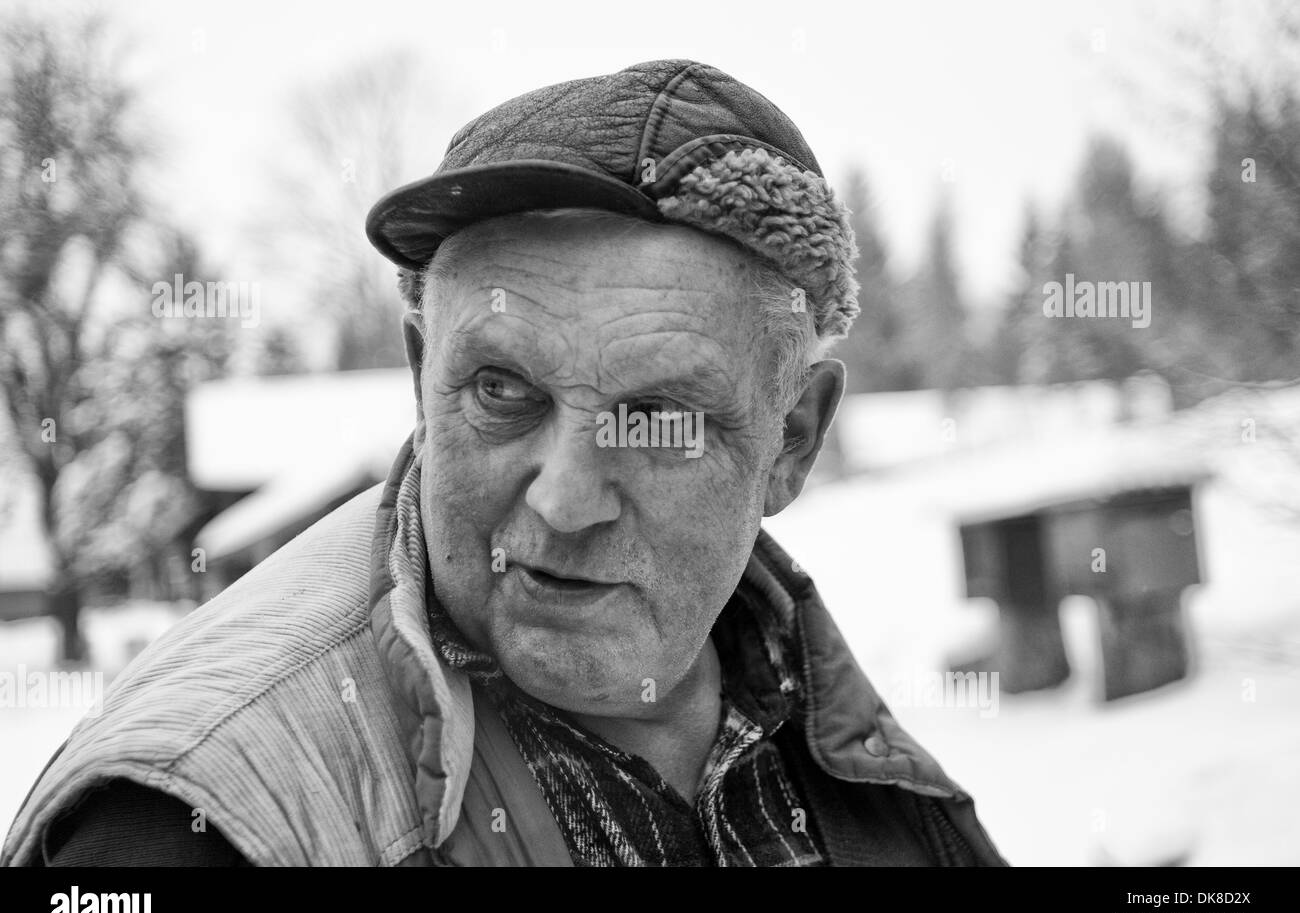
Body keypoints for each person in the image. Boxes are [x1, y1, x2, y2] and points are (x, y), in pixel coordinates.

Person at [4, 59, 1006, 867]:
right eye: (499, 390)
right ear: (419, 374)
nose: (564, 500)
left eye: (654, 415)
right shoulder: (187, 823)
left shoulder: (832, 738)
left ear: (790, 440)